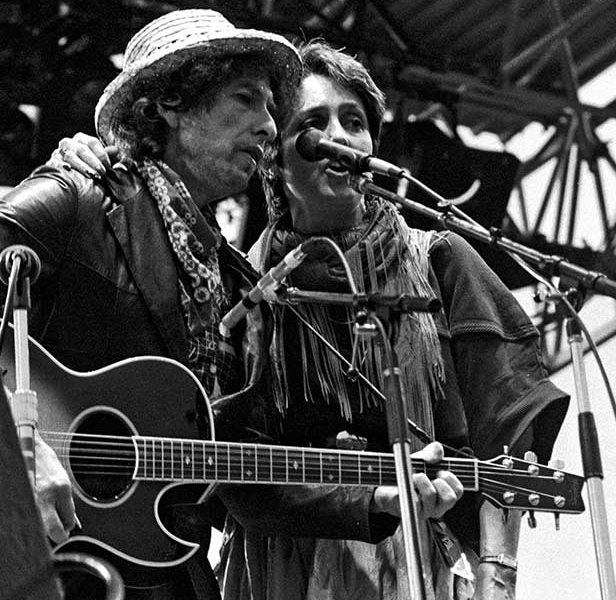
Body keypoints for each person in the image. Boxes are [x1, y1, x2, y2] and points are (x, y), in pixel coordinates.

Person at [55, 40, 570, 599]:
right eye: (314, 123)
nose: (340, 138)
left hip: (416, 560)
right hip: (275, 567)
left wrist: (499, 578)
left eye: (354, 121)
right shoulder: (239, 285)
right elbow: (228, 453)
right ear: (274, 152)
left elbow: (506, 430)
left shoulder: (439, 259)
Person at [5, 10, 462, 599]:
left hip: (158, 574)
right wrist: (18, 452)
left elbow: (244, 473)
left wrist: (380, 497)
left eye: (271, 108)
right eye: (247, 100)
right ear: (169, 103)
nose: (270, 127)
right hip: (33, 556)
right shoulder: (80, 199)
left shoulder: (233, 283)